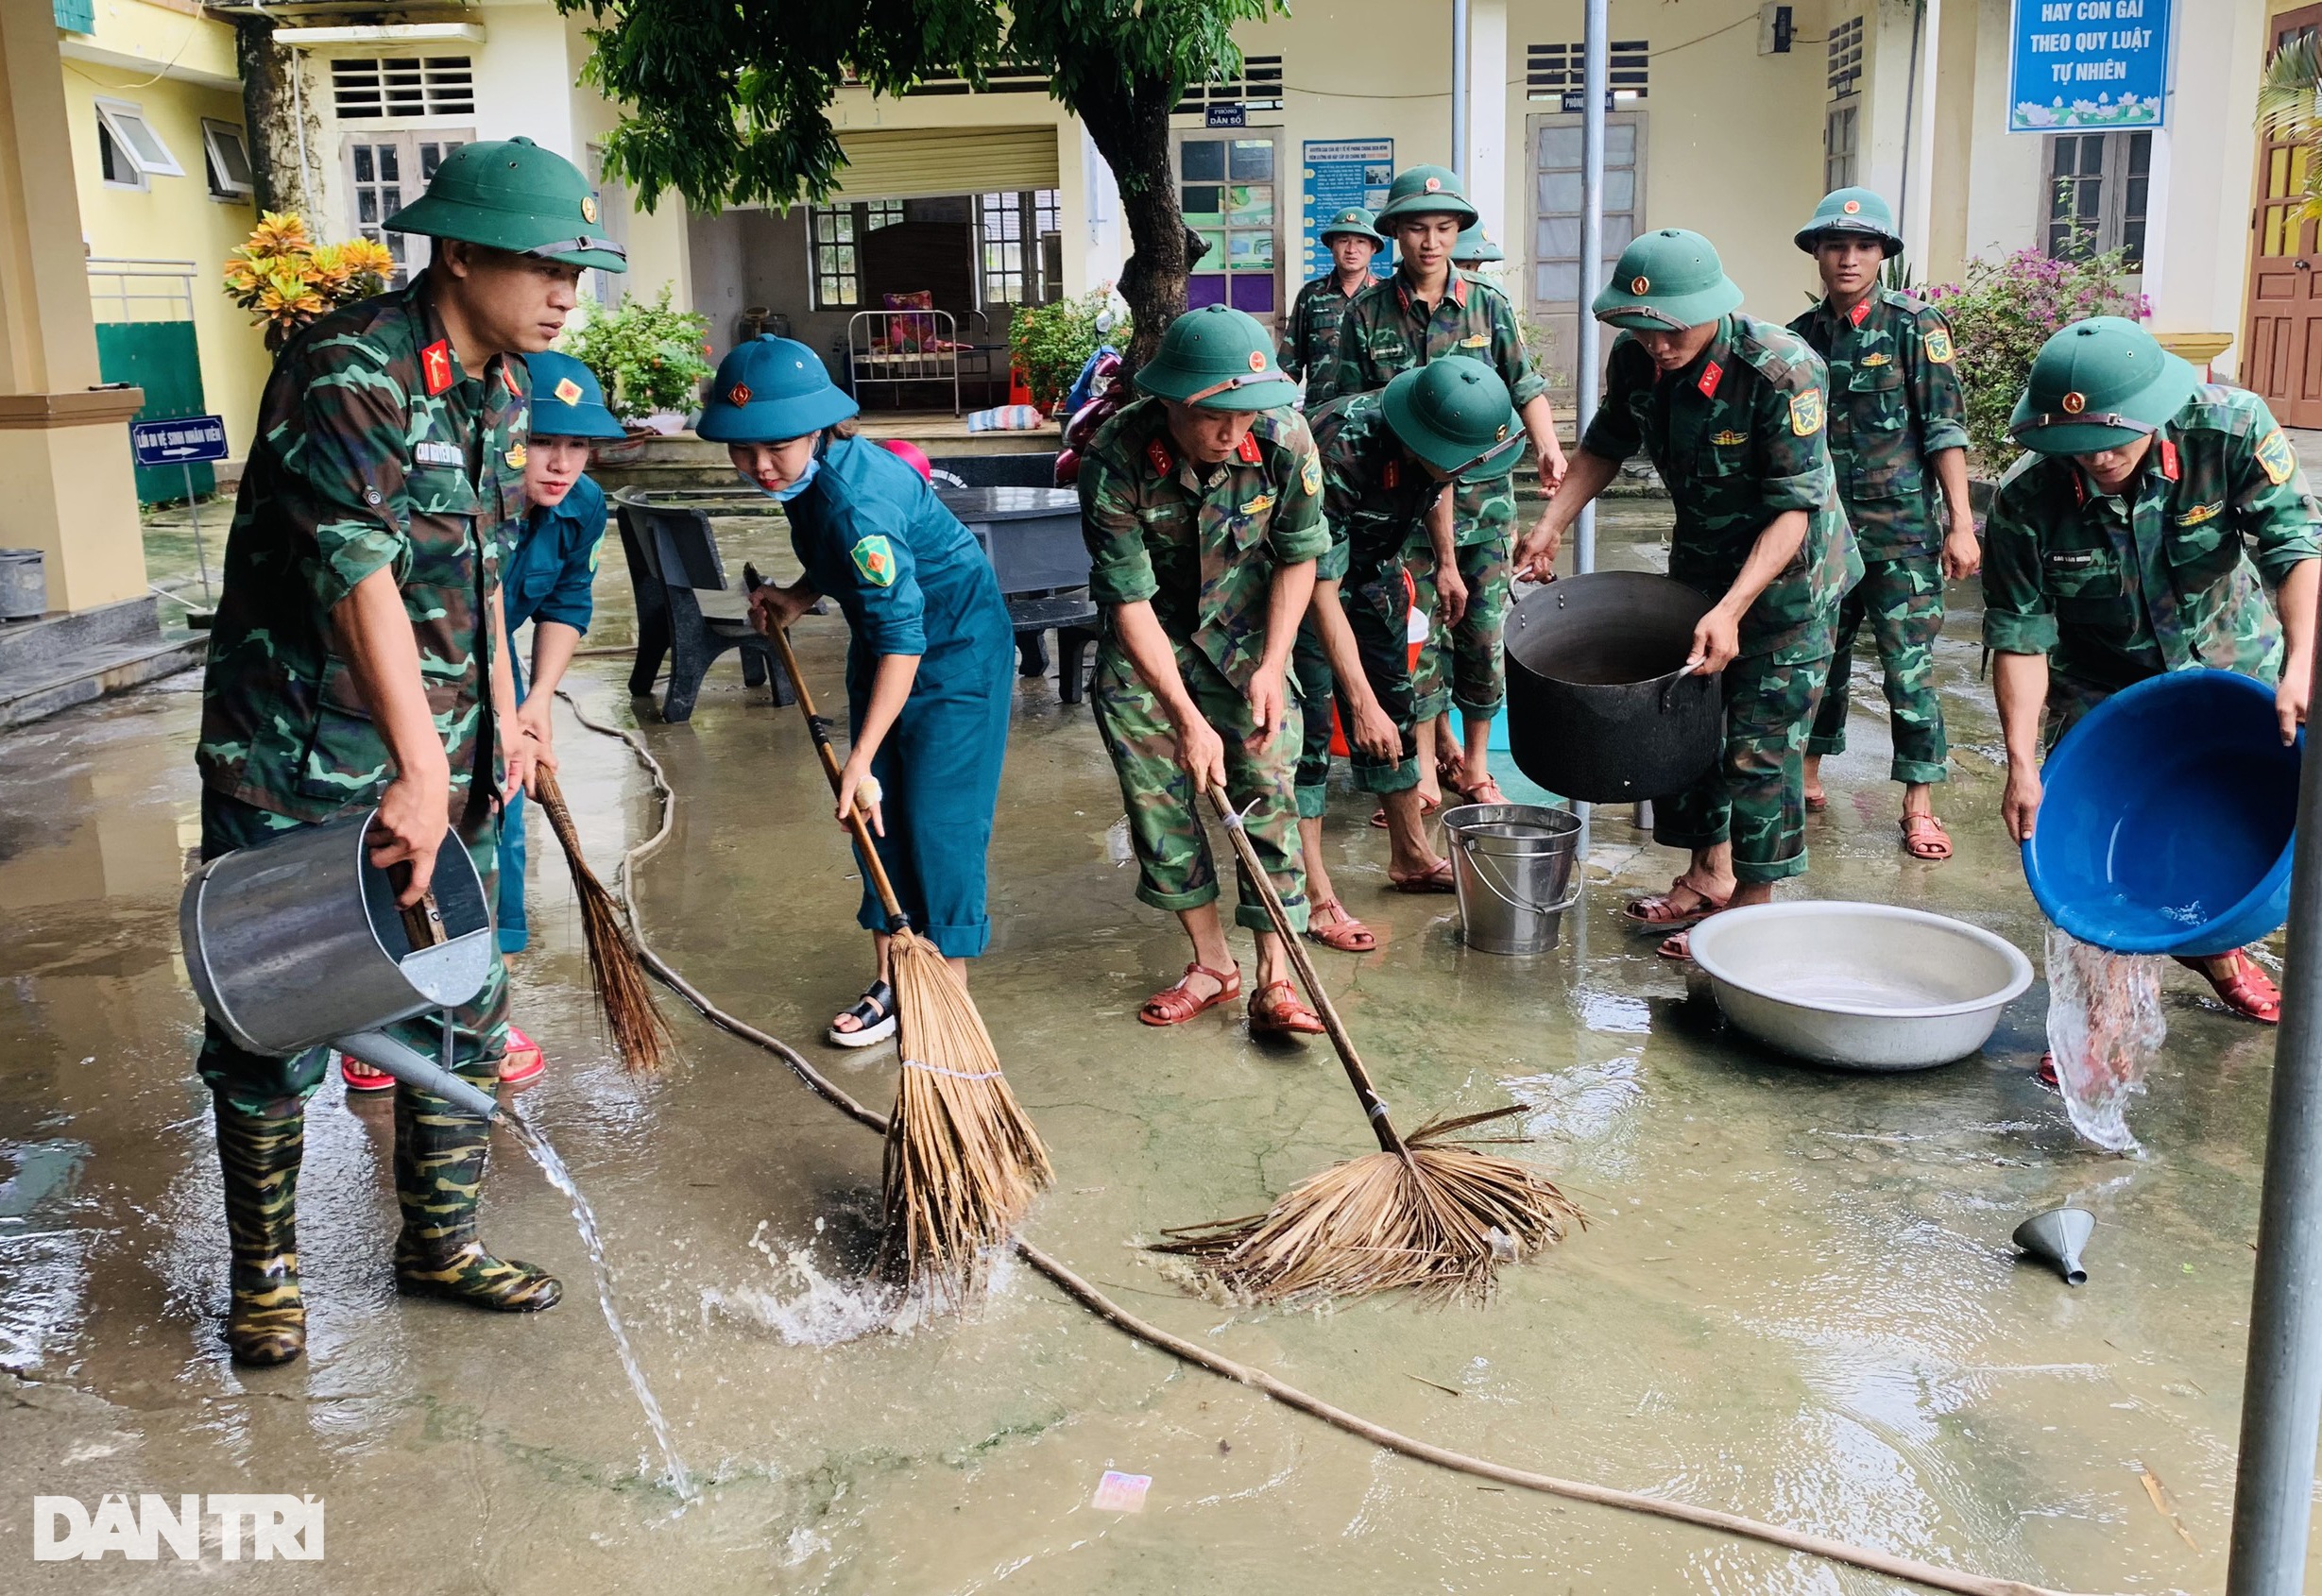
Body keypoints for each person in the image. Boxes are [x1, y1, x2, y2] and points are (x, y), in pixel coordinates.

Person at [192, 137, 626, 1365]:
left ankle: (437, 1243)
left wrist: (508, 714)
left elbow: (479, 576)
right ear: (466, 251)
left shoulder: (497, 389)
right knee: (270, 1022)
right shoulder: (348, 370)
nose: (563, 293)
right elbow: (357, 573)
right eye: (543, 266)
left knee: (460, 1006)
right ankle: (265, 1277)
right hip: (300, 766)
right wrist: (419, 769)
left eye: (573, 272)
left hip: (442, 763)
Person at [1516, 229, 1857, 959]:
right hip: (1701, 567)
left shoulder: (1782, 370)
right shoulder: (1639, 357)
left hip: (1790, 582)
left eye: (1667, 331)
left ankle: (1749, 918)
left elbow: (1793, 510)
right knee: (1687, 725)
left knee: (1762, 747)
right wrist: (1548, 526)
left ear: (1708, 308)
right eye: (1638, 330)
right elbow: (1605, 445)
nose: (1654, 346)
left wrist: (1734, 610)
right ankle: (1706, 878)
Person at [1986, 315, 2320, 1049]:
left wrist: (2302, 666)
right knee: (2082, 841)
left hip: (2234, 661)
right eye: (2076, 447)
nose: (2097, 458)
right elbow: (2020, 635)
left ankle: (2217, 946)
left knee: (2252, 820)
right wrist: (2020, 762)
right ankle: (2098, 1029)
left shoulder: (2229, 430)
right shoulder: (2027, 498)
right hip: (2103, 684)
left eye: (2113, 439)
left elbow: (2295, 546)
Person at [721, 338, 1016, 1048]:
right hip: (886, 644)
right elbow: (831, 558)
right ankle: (893, 977)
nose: (761, 465)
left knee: (937, 820)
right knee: (872, 816)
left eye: (778, 446)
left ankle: (944, 994)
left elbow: (905, 635)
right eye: (744, 448)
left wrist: (863, 754)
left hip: (955, 655)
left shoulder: (858, 502)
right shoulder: (809, 480)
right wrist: (796, 596)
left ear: (819, 428)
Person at [1077, 306, 1330, 1033]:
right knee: (1158, 798)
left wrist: (1273, 664)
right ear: (1173, 400)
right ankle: (1213, 964)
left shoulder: (1283, 436)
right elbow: (1128, 600)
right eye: (1218, 416)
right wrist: (1186, 718)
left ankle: (1275, 981)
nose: (1234, 432)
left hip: (1251, 632)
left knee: (1268, 783)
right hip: (1150, 640)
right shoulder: (1114, 456)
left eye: (1248, 413)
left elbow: (1299, 556)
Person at [1322, 164, 1567, 807]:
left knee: (1483, 634)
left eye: (1443, 228)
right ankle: (1426, 768)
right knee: (1415, 634)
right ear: (1396, 233)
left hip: (1482, 500)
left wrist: (1546, 446)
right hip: (1400, 501)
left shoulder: (1488, 305)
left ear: (1458, 231)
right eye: (1416, 229)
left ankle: (1476, 766)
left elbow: (1526, 384)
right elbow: (1344, 404)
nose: (1430, 242)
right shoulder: (1366, 313)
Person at [1787, 187, 1980, 859]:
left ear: (1882, 255)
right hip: (1823, 535)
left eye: (1863, 246)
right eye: (1835, 245)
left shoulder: (1914, 326)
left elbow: (1944, 429)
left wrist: (1961, 522)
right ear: (1816, 252)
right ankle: (1808, 773)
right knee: (1821, 659)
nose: (1848, 258)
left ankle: (1919, 803)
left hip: (1901, 532)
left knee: (1909, 667)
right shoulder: (1799, 338)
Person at [1309, 362, 1528, 895]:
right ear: (1420, 442)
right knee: (1310, 727)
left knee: (1397, 707)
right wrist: (1358, 703)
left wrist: (1447, 563)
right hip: (1294, 585)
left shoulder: (1436, 444)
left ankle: (1410, 856)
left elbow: (1437, 487)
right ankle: (1313, 893)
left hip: (1372, 570)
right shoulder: (1339, 450)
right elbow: (1316, 583)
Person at [1278, 206, 1388, 410]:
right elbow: (1289, 365)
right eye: (1343, 241)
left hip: (1371, 411)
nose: (1351, 249)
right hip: (1320, 411)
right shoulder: (1311, 295)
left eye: (1361, 241)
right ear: (1331, 245)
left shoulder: (1385, 296)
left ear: (1373, 248)